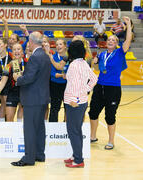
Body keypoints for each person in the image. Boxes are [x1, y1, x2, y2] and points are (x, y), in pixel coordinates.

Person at [89, 16, 132, 150]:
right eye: (109, 40)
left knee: (110, 116)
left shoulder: (120, 52)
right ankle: (93, 136)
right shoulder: (102, 54)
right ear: (106, 42)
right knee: (93, 112)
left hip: (113, 89)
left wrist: (129, 24)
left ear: (117, 43)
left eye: (113, 40)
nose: (110, 41)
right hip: (99, 86)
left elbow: (128, 40)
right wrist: (94, 63)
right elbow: (97, 69)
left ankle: (111, 141)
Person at [11, 32, 51, 166]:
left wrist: (18, 79)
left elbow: (29, 78)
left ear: (31, 42)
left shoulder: (35, 57)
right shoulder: (45, 55)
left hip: (32, 98)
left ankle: (29, 158)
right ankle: (40, 154)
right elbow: (37, 76)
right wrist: (25, 75)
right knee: (39, 127)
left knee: (29, 129)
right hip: (42, 98)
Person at [63, 40, 97, 168]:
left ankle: (78, 160)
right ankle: (75, 155)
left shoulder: (73, 65)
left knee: (73, 131)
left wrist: (75, 99)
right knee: (76, 130)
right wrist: (85, 90)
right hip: (81, 101)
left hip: (74, 102)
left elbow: (76, 85)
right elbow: (94, 79)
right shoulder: (83, 63)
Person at [0, 43, 28, 122]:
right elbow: (3, 81)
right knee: (9, 118)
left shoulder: (29, 63)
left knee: (23, 118)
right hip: (12, 92)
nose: (16, 51)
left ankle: (21, 133)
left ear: (22, 52)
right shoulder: (8, 66)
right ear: (12, 52)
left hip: (25, 92)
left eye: (18, 49)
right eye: (14, 49)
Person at [47, 39, 68, 122]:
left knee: (68, 107)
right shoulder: (53, 57)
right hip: (55, 85)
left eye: (60, 44)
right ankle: (52, 128)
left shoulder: (69, 58)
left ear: (65, 46)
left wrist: (66, 75)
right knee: (55, 108)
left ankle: (66, 127)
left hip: (67, 85)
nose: (58, 46)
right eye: (57, 44)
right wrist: (61, 75)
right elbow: (52, 73)